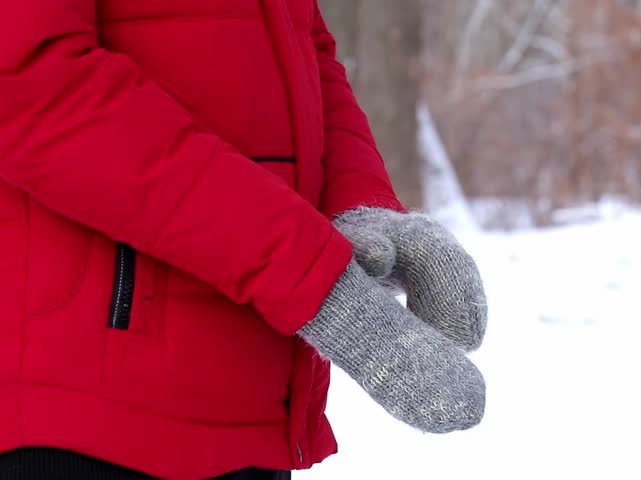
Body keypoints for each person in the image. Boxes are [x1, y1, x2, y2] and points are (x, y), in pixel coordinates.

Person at [0, 1, 488, 479]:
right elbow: (32, 83)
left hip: (249, 393)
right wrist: (313, 283)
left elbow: (306, 51)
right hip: (82, 408)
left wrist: (361, 204)